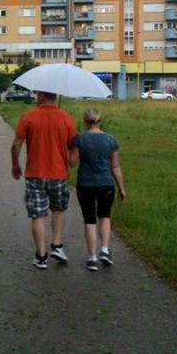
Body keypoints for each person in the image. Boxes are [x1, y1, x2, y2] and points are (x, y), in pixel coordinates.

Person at [11, 90, 77, 269]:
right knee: (58, 209)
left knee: (38, 214)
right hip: (59, 174)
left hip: (35, 174)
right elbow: (74, 146)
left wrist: (15, 164)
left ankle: (41, 257)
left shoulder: (28, 117)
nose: (35, 98)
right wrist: (72, 160)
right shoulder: (66, 118)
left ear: (41, 96)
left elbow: (16, 144)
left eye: (36, 95)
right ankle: (57, 245)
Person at [69, 108, 127, 272]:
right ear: (100, 121)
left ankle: (92, 258)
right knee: (105, 216)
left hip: (85, 184)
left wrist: (69, 149)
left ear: (85, 122)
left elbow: (72, 163)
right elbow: (115, 167)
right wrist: (121, 188)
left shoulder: (79, 139)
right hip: (106, 184)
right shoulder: (111, 140)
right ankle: (105, 250)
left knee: (89, 219)